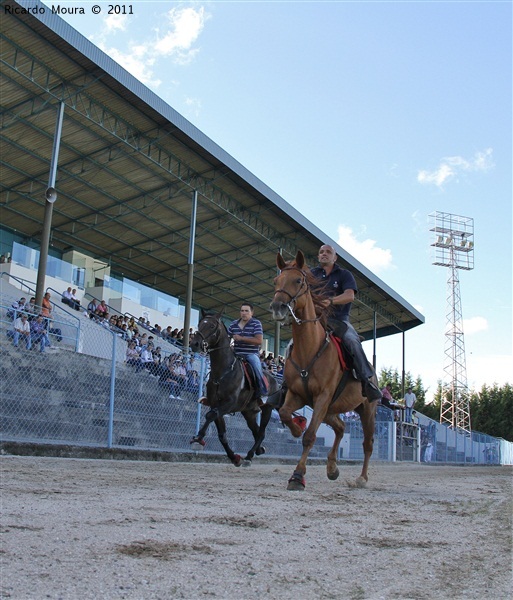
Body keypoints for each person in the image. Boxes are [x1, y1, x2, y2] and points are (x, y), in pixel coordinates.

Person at [311, 244, 382, 402]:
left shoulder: (344, 274)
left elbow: (349, 296)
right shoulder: (312, 274)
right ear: (318, 256)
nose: (324, 254)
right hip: (316, 319)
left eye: (328, 252)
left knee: (352, 340)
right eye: (321, 252)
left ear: (335, 258)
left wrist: (329, 301)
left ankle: (367, 382)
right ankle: (285, 387)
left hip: (339, 320)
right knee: (292, 344)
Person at [228, 302, 268, 401]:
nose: (244, 313)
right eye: (242, 311)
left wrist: (241, 338)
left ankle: (262, 392)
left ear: (252, 313)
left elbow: (259, 341)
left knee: (256, 368)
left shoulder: (256, 323)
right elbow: (226, 337)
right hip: (236, 353)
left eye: (246, 311)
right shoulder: (233, 324)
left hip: (250, 354)